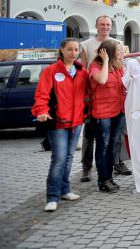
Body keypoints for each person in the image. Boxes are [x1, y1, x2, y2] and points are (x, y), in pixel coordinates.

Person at [33, 38, 89, 212]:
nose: (73, 53)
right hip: (58, 122)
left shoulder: (82, 72)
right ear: (62, 50)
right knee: (59, 159)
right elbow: (42, 95)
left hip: (76, 121)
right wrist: (41, 111)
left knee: (70, 158)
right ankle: (52, 196)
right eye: (70, 49)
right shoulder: (51, 71)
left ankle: (65, 190)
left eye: (76, 50)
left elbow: (91, 92)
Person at [79, 15, 117, 182]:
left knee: (111, 138)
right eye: (102, 24)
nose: (105, 27)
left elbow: (121, 66)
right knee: (90, 136)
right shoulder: (86, 45)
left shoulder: (117, 43)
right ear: (96, 26)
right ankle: (86, 167)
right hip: (94, 95)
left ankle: (115, 165)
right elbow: (83, 70)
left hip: (112, 97)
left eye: (108, 24)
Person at [89, 40, 127, 193]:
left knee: (112, 147)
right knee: (103, 147)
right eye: (118, 50)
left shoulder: (117, 68)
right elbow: (102, 80)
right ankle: (103, 180)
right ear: (109, 52)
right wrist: (105, 61)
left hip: (118, 112)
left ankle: (109, 178)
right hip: (102, 114)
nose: (121, 52)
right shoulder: (96, 67)